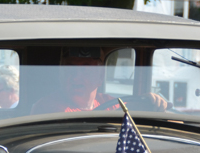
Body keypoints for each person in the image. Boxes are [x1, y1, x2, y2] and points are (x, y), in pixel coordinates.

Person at [31, 47, 169, 115]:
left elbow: (131, 109)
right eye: (70, 68)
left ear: (101, 75)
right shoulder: (48, 107)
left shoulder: (109, 103)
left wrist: (152, 104)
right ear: (61, 73)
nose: (76, 77)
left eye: (86, 69)